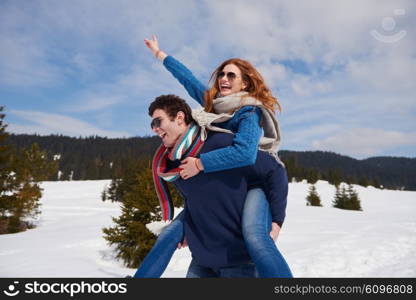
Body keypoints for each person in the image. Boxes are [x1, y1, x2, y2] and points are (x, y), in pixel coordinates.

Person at [134, 35, 293, 278]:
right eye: (221, 74)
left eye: (231, 75)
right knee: (170, 233)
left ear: (245, 84)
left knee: (255, 236)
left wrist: (200, 163)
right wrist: (160, 55)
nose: (224, 79)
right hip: (227, 179)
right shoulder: (214, 105)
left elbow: (245, 153)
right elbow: (187, 79)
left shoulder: (248, 113)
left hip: (255, 181)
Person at [143, 94, 290, 277]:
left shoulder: (220, 143)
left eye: (158, 122)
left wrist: (276, 221)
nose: (155, 129)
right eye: (152, 125)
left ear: (179, 118)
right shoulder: (172, 166)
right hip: (201, 263)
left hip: (239, 264)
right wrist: (189, 229)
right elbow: (195, 200)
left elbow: (274, 170)